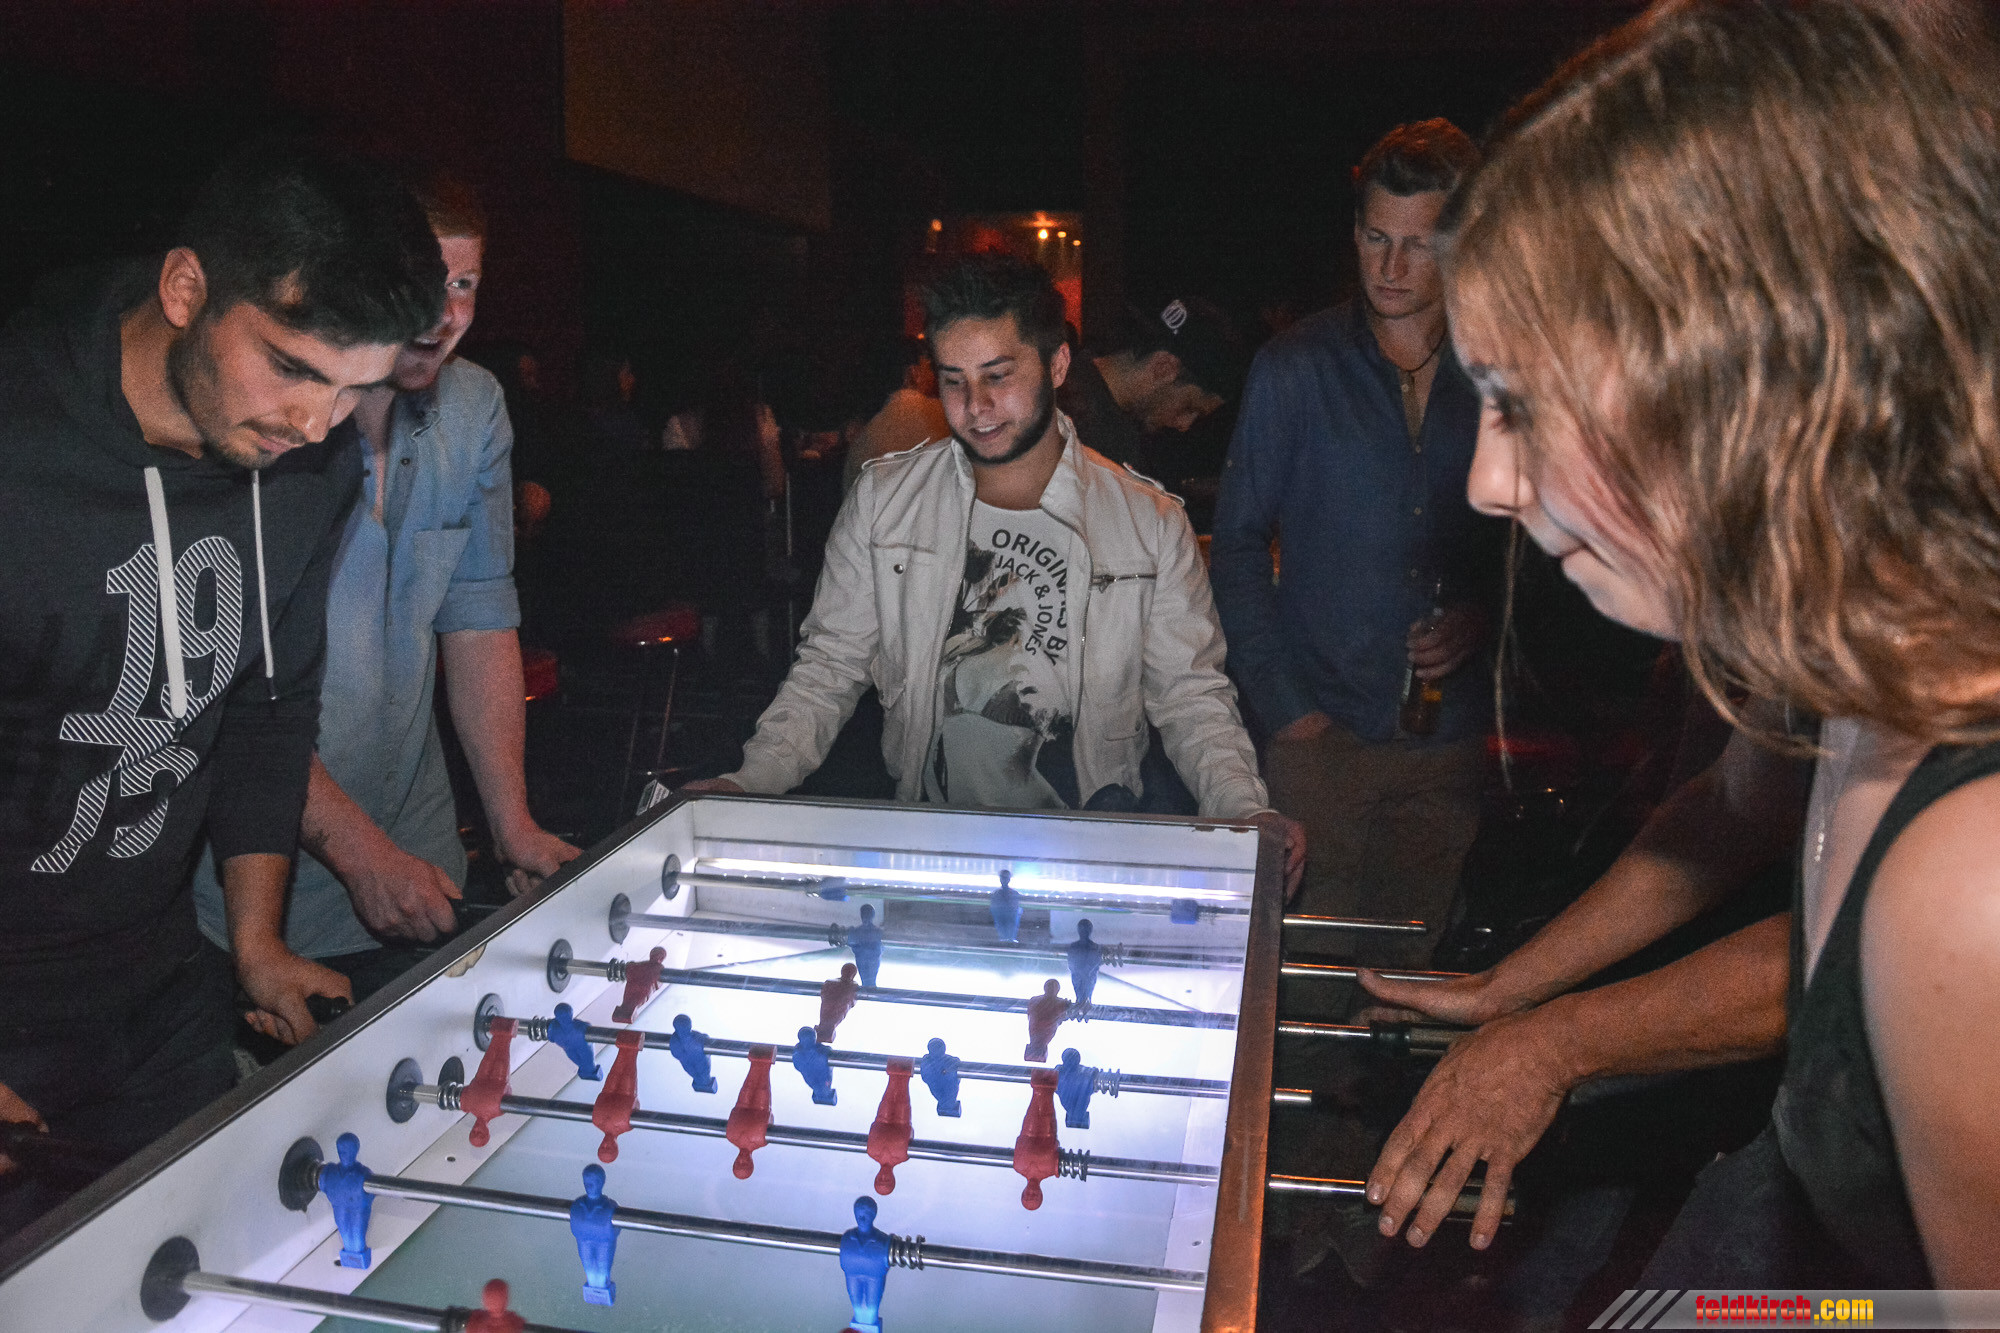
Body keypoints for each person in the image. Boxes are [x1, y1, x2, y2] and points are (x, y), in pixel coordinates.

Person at [1362, 0, 2000, 1286]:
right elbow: (1729, 813)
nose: (1487, 481)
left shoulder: (1967, 877)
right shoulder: (1832, 652)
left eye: (1523, 404)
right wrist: (1510, 993)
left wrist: (1554, 1040)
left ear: (1736, 383)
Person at [0, 140, 445, 1225]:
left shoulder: (309, 465)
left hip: (160, 987)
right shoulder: (18, 436)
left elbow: (266, 707)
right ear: (186, 288)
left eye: (355, 387)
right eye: (291, 366)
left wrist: (257, 944)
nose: (314, 424)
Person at [682, 255, 1304, 886]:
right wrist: (748, 779)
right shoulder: (884, 502)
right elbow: (828, 669)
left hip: (1088, 854)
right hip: (928, 847)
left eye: (997, 376)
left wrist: (1243, 808)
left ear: (1056, 365)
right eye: (953, 380)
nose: (975, 406)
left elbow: (1191, 696)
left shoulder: (1149, 522)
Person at [192, 170, 578, 1001]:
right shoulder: (274, 417)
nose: (445, 313)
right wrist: (361, 854)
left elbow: (478, 619)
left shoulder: (477, 407)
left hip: (424, 857)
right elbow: (235, 691)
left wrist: (511, 824)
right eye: (425, 281)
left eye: (465, 285)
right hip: (261, 892)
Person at [1210, 118, 1503, 961]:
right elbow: (1236, 545)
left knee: (1406, 980)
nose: (1391, 267)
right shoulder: (1295, 366)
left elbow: (1532, 541)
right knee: (1302, 983)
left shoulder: (1499, 371)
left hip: (1447, 743)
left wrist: (1483, 615)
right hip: (1321, 741)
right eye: (1376, 238)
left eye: (1418, 244)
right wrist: (1289, 711)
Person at [1056, 292, 1243, 471]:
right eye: (1190, 408)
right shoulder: (1105, 441)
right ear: (1164, 367)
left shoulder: (1060, 379)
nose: (1185, 425)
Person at [842, 336, 948, 490]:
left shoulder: (861, 442)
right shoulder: (945, 416)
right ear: (913, 374)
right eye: (929, 367)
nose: (935, 376)